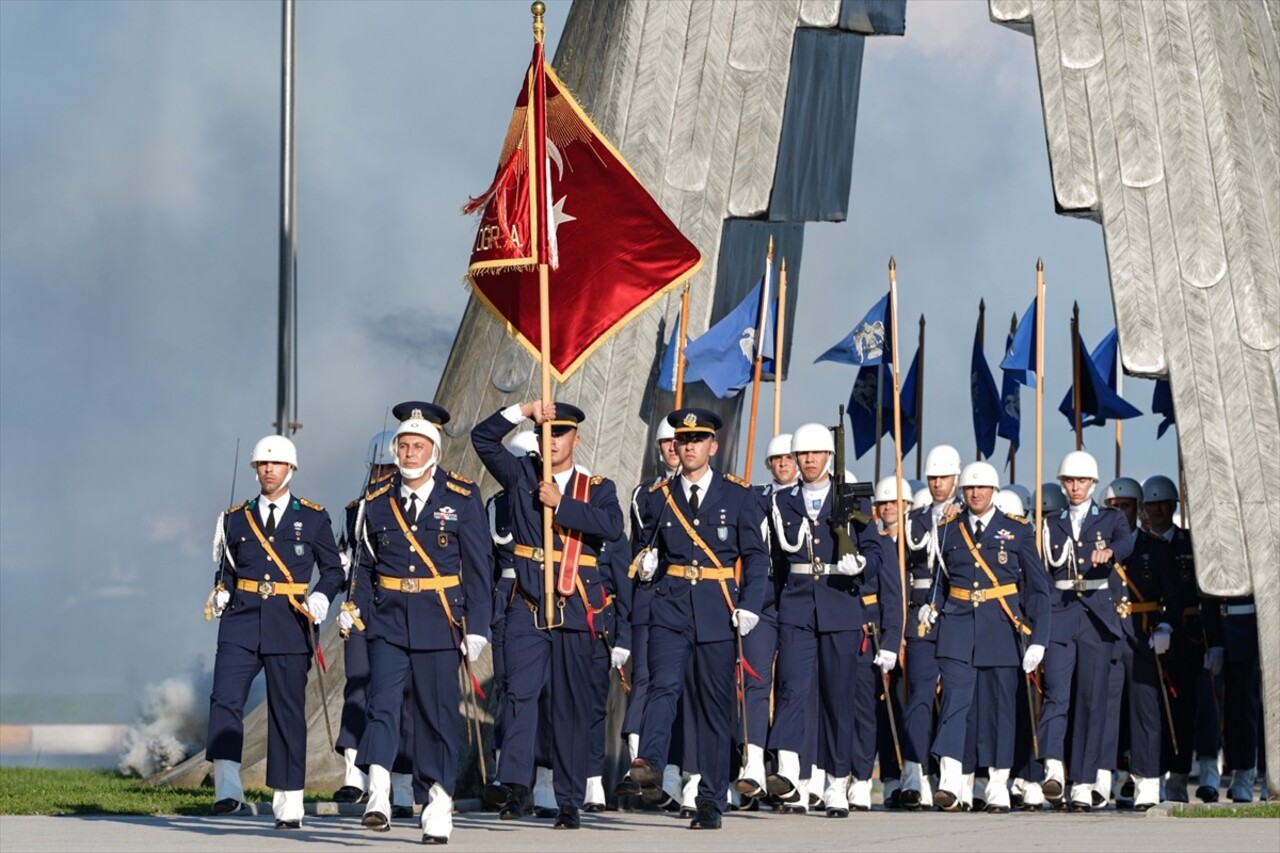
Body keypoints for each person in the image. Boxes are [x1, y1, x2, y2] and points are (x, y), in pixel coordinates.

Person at [472, 399, 624, 830]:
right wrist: (523, 409)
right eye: (546, 431)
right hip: (527, 602)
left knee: (568, 706)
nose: (551, 439)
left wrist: (561, 504)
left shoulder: (597, 487)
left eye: (560, 432)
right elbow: (481, 438)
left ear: (575, 438)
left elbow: (612, 527)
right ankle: (515, 781)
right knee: (520, 693)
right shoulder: (520, 473)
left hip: (575, 604)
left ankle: (569, 799)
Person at [352, 402, 492, 844]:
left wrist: (478, 627)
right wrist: (354, 609)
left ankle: (438, 800)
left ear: (434, 449)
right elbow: (363, 566)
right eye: (404, 445)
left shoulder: (462, 495)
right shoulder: (375, 500)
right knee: (382, 704)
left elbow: (478, 566)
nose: (409, 453)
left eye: (418, 445)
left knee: (437, 717)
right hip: (388, 619)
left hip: (440, 620)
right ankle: (377, 791)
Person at [629, 408, 769, 829]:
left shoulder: (739, 495)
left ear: (713, 446)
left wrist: (751, 605)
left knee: (713, 707)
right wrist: (646, 564)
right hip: (670, 605)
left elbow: (756, 558)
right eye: (682, 439)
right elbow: (643, 546)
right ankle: (649, 760)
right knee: (663, 685)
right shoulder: (657, 496)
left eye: (697, 439)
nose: (688, 446)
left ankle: (710, 798)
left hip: (717, 608)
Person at [205, 434, 344, 829]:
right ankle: (227, 790)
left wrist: (320, 598)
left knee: (287, 712)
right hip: (241, 621)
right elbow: (228, 571)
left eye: (276, 464)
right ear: (255, 470)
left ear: (291, 469)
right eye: (263, 465)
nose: (268, 470)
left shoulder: (313, 517)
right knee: (225, 700)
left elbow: (333, 570)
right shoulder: (235, 518)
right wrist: (220, 593)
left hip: (289, 621)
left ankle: (289, 802)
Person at [765, 423, 883, 817]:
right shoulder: (783, 503)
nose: (809, 460)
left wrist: (861, 563)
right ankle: (791, 775)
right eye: (803, 454)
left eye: (816, 454)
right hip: (797, 606)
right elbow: (779, 563)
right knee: (793, 690)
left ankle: (837, 782)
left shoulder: (850, 500)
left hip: (839, 604)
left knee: (837, 699)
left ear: (829, 457)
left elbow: (875, 550)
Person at [924, 461, 1049, 813]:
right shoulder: (948, 528)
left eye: (982, 488)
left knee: (1000, 711)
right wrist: (930, 606)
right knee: (954, 704)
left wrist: (1039, 638)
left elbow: (1038, 590)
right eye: (969, 488)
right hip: (957, 626)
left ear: (994, 491)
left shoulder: (1019, 530)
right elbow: (941, 580)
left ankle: (998, 783)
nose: (975, 493)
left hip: (1000, 628)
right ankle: (950, 781)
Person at [1038, 451, 1135, 810]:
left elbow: (1127, 543)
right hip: (1060, 614)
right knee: (1056, 693)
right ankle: (1052, 767)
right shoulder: (1049, 523)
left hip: (1096, 617)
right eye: (1069, 481)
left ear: (1093, 484)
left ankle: (1082, 780)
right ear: (1062, 484)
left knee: (1091, 702)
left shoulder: (1109, 519)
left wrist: (1109, 551)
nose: (1075, 487)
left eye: (1081, 481)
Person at [333, 430, 418, 817]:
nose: (382, 475)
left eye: (388, 468)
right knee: (358, 687)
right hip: (360, 612)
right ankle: (354, 773)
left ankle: (400, 782)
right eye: (378, 469)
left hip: (398, 612)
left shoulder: (411, 506)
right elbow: (341, 556)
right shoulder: (356, 509)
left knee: (401, 699)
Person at [1101, 476, 1178, 811]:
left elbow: (1173, 595)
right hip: (1107, 634)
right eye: (1114, 507)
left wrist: (1165, 625)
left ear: (1138, 508)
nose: (1120, 512)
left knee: (1145, 709)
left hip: (1141, 633)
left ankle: (1148, 780)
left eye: (1126, 506)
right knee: (1107, 710)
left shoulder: (1154, 549)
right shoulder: (1098, 548)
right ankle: (1114, 778)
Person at [617, 420, 682, 809]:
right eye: (667, 443)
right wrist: (643, 564)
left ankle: (673, 774)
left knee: (678, 689)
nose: (673, 448)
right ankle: (637, 767)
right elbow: (637, 544)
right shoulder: (644, 494)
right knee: (644, 680)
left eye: (680, 442)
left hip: (688, 602)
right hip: (649, 598)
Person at [1142, 475, 1217, 803]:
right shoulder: (1138, 546)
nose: (1157, 510)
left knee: (1187, 707)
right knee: (1152, 708)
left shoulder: (1190, 544)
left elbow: (1209, 593)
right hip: (1148, 632)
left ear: (1174, 505)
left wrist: (1214, 641)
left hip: (1186, 636)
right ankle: (1150, 778)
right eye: (1151, 504)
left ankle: (1180, 776)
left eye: (1163, 503)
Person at [897, 445, 963, 809]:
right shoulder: (914, 521)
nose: (938, 484)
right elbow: (902, 575)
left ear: (956, 478)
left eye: (944, 478)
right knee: (918, 696)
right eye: (933, 478)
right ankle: (914, 774)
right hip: (921, 614)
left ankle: (953, 776)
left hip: (955, 613)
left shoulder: (964, 518)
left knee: (955, 696)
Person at [733, 432, 796, 803]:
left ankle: (790, 767)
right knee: (754, 681)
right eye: (778, 459)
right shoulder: (752, 497)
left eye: (790, 458)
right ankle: (753, 761)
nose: (784, 464)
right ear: (769, 464)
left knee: (793, 684)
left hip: (800, 600)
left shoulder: (812, 499)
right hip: (761, 598)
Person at [868, 476, 909, 810]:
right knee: (883, 708)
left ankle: (918, 775)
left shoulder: (921, 537)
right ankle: (891, 778)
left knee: (911, 706)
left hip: (920, 631)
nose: (889, 509)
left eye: (895, 502)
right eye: (883, 503)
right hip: (884, 632)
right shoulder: (875, 541)